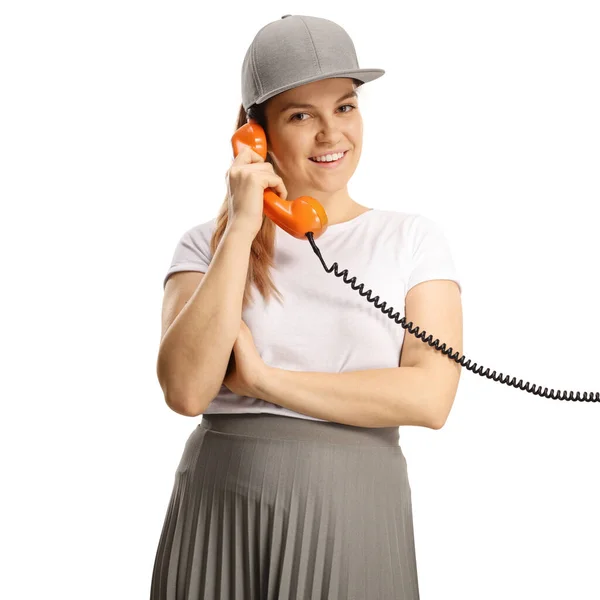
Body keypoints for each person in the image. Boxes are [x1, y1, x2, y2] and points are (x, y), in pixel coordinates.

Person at [151, 14, 463, 600]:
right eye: (301, 115)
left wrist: (264, 381)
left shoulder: (413, 240)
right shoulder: (205, 247)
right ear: (256, 134)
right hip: (221, 507)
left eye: (345, 107)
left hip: (355, 508)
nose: (331, 134)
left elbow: (430, 397)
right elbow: (187, 391)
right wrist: (242, 227)